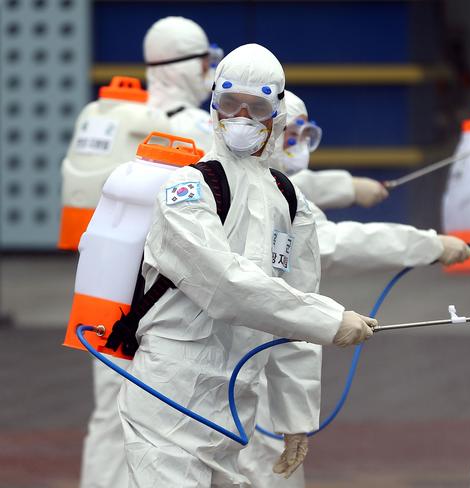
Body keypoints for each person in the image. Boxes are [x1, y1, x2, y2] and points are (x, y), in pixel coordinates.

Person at [117, 43, 377, 488]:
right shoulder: (188, 189)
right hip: (170, 391)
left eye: (255, 107)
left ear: (275, 113)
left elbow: (293, 313)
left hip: (236, 404)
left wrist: (296, 417)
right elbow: (225, 286)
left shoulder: (289, 202)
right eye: (229, 103)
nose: (240, 117)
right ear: (213, 104)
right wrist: (330, 320)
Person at [238, 89, 470, 488]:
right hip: (245, 368)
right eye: (291, 136)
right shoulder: (269, 202)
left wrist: (351, 186)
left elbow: (302, 181)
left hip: (242, 366)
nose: (300, 149)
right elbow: (342, 244)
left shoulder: (250, 181)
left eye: (305, 137)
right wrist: (430, 245)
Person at [79, 18, 221, 488]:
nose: (210, 69)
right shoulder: (195, 130)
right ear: (185, 65)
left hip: (102, 287)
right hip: (158, 299)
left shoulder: (117, 115)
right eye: (205, 60)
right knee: (157, 422)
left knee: (107, 414)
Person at [283, 93, 388, 209]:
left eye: (304, 135)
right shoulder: (264, 189)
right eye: (293, 133)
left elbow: (297, 187)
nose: (299, 144)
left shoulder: (276, 181)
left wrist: (351, 186)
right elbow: (319, 226)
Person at [144, 16, 220, 151]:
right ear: (191, 67)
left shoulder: (130, 113)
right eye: (205, 63)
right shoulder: (198, 126)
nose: (209, 69)